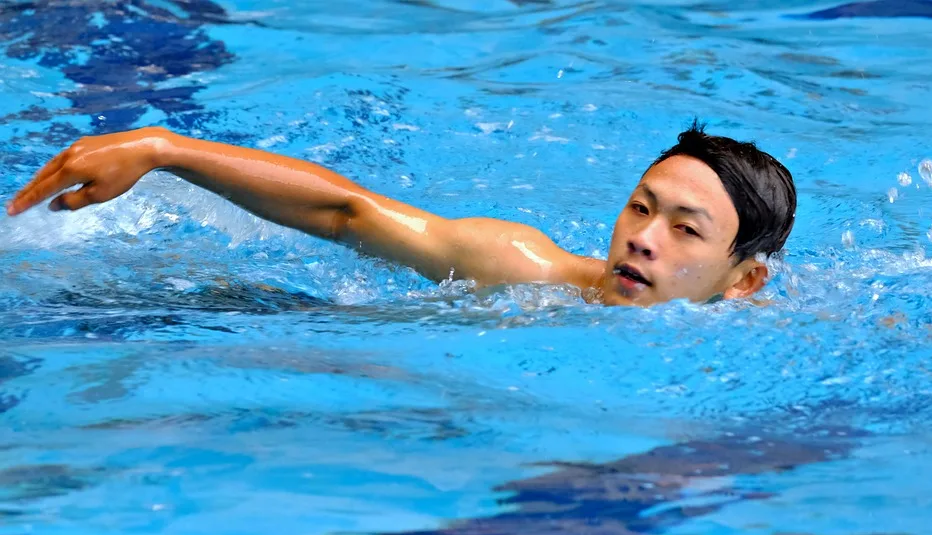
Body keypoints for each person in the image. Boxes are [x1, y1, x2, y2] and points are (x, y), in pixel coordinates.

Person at [6, 121, 796, 307]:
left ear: (746, 280)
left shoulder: (788, 338)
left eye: (685, 230)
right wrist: (162, 148)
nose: (641, 239)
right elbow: (351, 213)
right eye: (639, 207)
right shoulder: (521, 266)